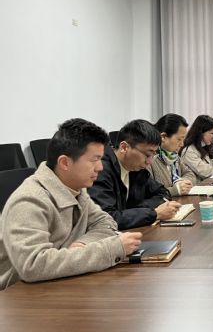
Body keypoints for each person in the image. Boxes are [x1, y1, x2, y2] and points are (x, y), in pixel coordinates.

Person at [0, 119, 141, 290]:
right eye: (94, 160)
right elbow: (34, 265)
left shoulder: (75, 188)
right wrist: (111, 249)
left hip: (55, 284)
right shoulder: (29, 201)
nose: (100, 167)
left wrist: (83, 245)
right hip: (18, 295)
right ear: (65, 163)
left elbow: (105, 222)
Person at [88, 119, 180, 230]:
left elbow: (163, 193)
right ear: (124, 148)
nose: (149, 162)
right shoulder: (101, 170)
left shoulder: (136, 168)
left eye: (153, 155)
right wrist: (153, 213)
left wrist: (138, 210)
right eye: (147, 155)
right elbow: (106, 219)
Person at [149, 114, 195, 196]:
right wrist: (174, 190)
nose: (182, 144)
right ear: (163, 137)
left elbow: (189, 174)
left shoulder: (173, 155)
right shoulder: (150, 159)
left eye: (183, 139)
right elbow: (149, 194)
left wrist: (182, 182)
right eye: (179, 139)